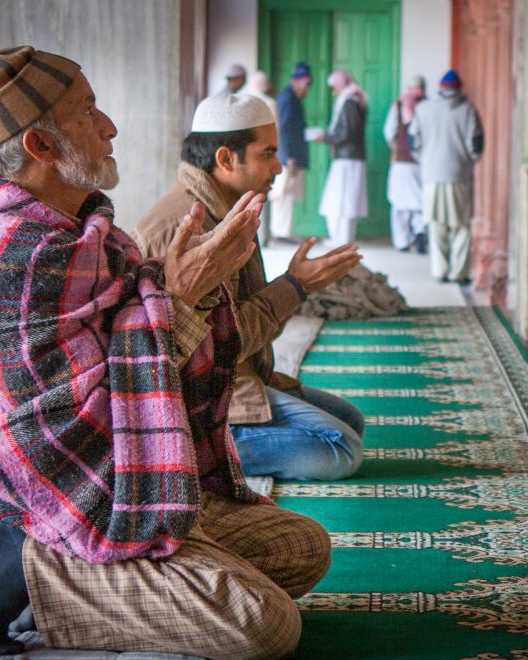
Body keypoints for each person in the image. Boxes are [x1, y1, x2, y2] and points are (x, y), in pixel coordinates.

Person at [0, 46, 330, 660]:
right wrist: (180, 297)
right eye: (88, 111)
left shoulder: (91, 234)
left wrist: (180, 298)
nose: (109, 125)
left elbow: (132, 369)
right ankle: (29, 571)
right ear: (40, 145)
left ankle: (135, 569)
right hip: (47, 506)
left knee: (302, 547)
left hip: (117, 486)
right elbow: (81, 423)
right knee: (264, 626)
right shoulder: (14, 254)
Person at [134, 93, 366, 481]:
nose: (278, 166)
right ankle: (192, 452)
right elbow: (222, 344)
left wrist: (296, 286)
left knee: (350, 420)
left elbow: (247, 327)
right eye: (267, 154)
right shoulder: (188, 226)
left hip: (239, 379)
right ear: (226, 159)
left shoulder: (229, 205)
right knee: (339, 449)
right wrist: (294, 287)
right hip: (200, 401)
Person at [409, 69, 484, 284]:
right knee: (461, 227)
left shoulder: (423, 109)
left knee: (436, 224)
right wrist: (468, 160)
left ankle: (439, 271)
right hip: (459, 175)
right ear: (459, 89)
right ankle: (458, 273)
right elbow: (476, 146)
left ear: (440, 88)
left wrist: (425, 160)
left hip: (431, 176)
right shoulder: (468, 110)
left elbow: (414, 142)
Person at [319, 70, 368, 246]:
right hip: (348, 157)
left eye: (334, 87)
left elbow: (347, 132)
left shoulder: (350, 102)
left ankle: (343, 239)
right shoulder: (353, 99)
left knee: (344, 201)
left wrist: (326, 138)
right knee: (342, 200)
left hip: (348, 158)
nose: (333, 91)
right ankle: (341, 238)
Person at [383, 75, 427, 253]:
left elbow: (389, 132)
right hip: (420, 163)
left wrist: (397, 147)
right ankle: (420, 232)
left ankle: (402, 240)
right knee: (420, 202)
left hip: (401, 163)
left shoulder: (399, 105)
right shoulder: (426, 105)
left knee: (399, 204)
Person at [272, 61, 314, 241]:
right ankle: (281, 233)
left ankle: (284, 231)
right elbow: (285, 129)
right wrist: (288, 156)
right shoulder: (288, 98)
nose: (306, 90)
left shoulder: (293, 98)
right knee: (283, 194)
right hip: (287, 156)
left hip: (290, 154)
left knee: (288, 195)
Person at [246, 70, 279, 247]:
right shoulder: (270, 103)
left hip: (247, 161)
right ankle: (263, 236)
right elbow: (275, 134)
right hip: (265, 157)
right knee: (263, 195)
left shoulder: (243, 100)